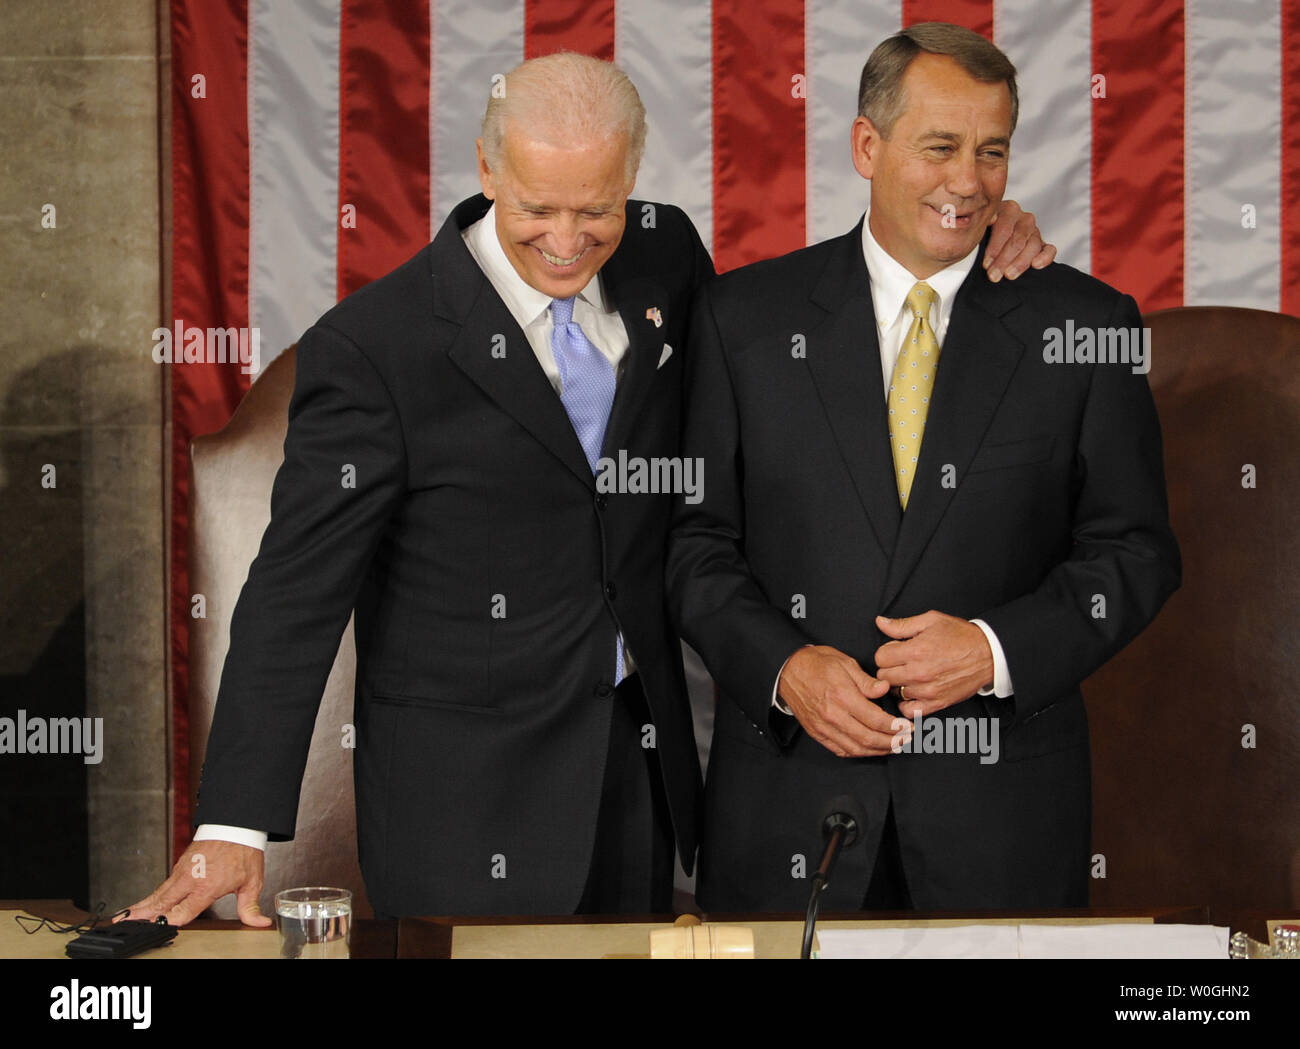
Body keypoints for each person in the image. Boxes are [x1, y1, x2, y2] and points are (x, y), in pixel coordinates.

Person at [122, 50, 1053, 925]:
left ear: (633, 181)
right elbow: (293, 592)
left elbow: (784, 355)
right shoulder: (376, 350)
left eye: (597, 208)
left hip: (639, 770)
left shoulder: (664, 256)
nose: (567, 242)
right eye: (538, 208)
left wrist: (962, 237)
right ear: (487, 167)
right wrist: (232, 826)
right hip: (463, 807)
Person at [666, 22, 1181, 912]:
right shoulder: (742, 319)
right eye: (940, 147)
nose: (969, 181)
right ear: (867, 146)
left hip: (1004, 824)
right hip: (790, 813)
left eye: (992, 151)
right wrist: (786, 670)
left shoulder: (1087, 324)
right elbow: (693, 545)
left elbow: (1137, 553)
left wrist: (993, 650)